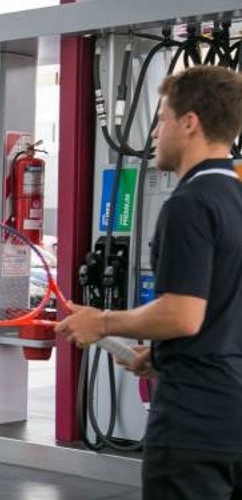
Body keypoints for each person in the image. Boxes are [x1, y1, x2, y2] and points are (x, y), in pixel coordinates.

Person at [58, 66, 242, 500]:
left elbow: (183, 313)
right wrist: (162, 355)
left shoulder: (190, 205)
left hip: (193, 429)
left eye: (162, 119)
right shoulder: (235, 198)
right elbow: (224, 313)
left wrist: (102, 322)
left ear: (190, 123)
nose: (155, 132)